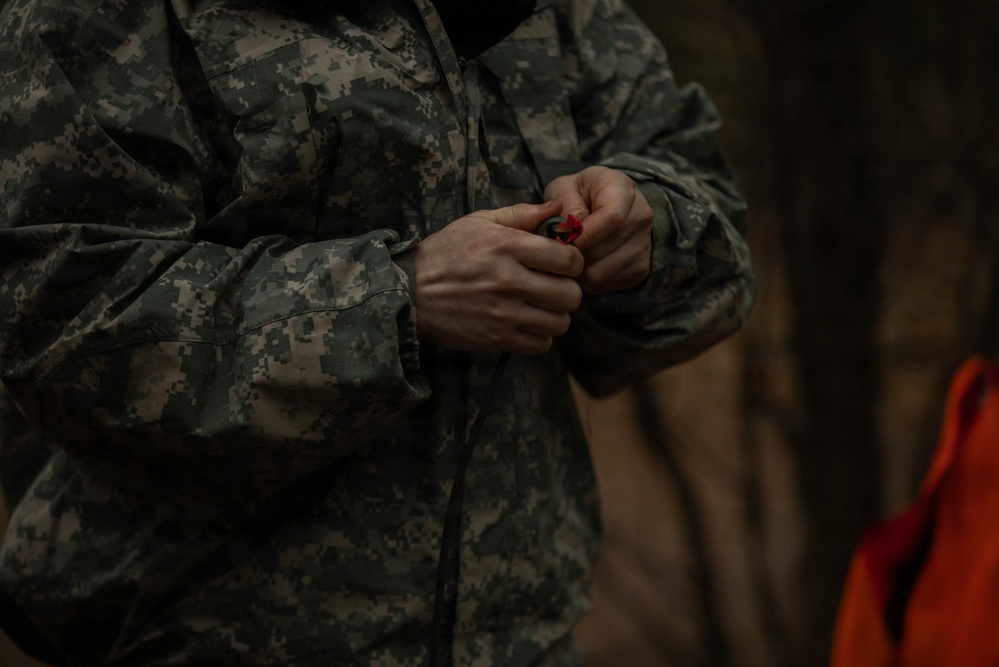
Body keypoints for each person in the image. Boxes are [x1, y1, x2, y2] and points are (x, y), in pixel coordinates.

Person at [0, 0, 754, 664]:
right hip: (203, 640)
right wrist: (398, 298)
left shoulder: (555, 11)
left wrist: (645, 228)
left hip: (524, 637)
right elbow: (68, 325)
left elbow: (714, 222)